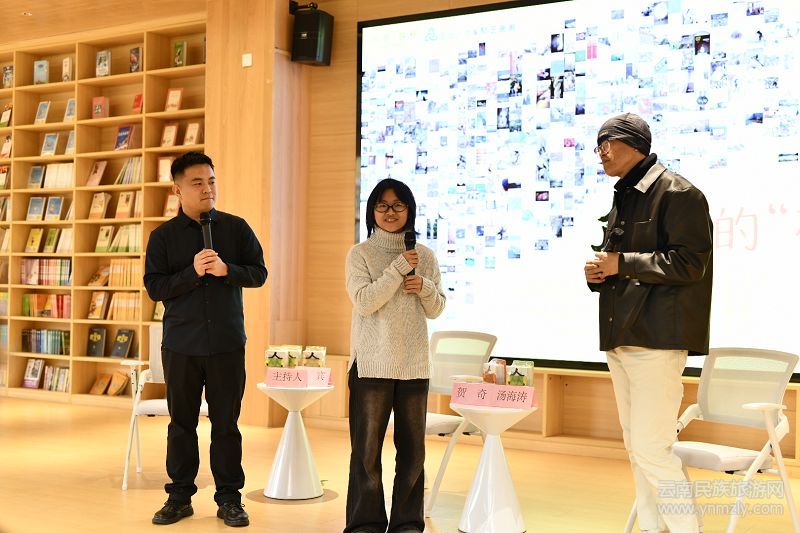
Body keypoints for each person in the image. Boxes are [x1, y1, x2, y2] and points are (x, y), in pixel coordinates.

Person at [584, 113, 712, 533]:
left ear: (635, 144)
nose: (601, 153)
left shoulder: (679, 193)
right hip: (622, 336)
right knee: (637, 448)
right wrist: (600, 273)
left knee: (652, 449)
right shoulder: (626, 194)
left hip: (657, 339)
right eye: (598, 145)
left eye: (607, 143)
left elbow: (691, 263)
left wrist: (622, 263)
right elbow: (624, 263)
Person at [144, 151, 267, 527]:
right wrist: (192, 272)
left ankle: (229, 499)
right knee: (181, 425)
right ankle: (179, 497)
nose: (207, 188)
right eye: (197, 182)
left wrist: (228, 270)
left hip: (226, 343)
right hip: (181, 345)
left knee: (226, 425)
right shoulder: (162, 237)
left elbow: (259, 273)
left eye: (211, 181)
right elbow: (155, 287)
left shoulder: (236, 228)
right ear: (177, 190)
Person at [344, 178, 446, 533]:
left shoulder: (425, 256)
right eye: (383, 205)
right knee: (366, 453)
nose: (390, 212)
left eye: (398, 205)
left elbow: (436, 309)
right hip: (371, 366)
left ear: (409, 210)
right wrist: (398, 268)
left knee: (413, 454)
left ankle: (407, 525)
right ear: (372, 210)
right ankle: (365, 525)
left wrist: (425, 287)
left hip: (413, 366)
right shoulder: (360, 254)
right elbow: (365, 301)